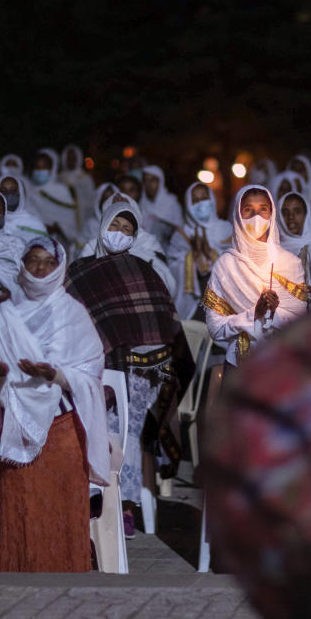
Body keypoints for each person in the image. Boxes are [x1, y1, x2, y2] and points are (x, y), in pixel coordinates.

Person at [0, 237, 109, 572]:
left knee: (61, 518)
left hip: (62, 435)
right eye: (33, 260)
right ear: (21, 265)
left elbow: (91, 375)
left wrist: (57, 376)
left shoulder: (72, 313)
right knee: (24, 517)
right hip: (16, 434)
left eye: (49, 262)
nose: (40, 268)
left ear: (59, 268)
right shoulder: (5, 315)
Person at [66, 201, 195, 536]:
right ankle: (90, 500)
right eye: (115, 226)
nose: (119, 234)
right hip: (90, 370)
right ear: (102, 225)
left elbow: (165, 323)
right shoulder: (79, 271)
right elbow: (66, 322)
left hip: (142, 375)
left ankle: (123, 506)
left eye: (128, 230)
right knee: (86, 408)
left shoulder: (144, 268)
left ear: (136, 236)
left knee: (127, 418)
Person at [204, 185, 306, 367]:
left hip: (282, 364)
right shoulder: (226, 265)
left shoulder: (290, 263)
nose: (256, 217)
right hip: (239, 363)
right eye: (248, 210)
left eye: (263, 210)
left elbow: (301, 323)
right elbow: (215, 328)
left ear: (272, 213)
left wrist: (273, 313)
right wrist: (254, 314)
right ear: (238, 214)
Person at [80, 192, 176, 293]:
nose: (119, 231)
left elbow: (165, 280)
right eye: (114, 224)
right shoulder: (92, 246)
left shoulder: (148, 241)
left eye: (126, 228)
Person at [168, 182, 231, 320]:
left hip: (224, 298)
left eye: (204, 198)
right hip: (194, 301)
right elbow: (171, 266)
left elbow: (236, 262)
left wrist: (210, 254)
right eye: (195, 200)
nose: (200, 204)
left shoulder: (226, 229)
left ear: (212, 200)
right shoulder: (181, 235)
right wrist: (191, 257)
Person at [30, 148, 79, 243]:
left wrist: (58, 228)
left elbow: (69, 222)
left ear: (51, 169)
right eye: (37, 167)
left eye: (44, 167)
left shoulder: (61, 190)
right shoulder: (29, 190)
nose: (40, 171)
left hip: (58, 240)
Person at [140, 165, 184, 249]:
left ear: (160, 181)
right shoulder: (142, 204)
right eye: (145, 180)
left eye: (152, 180)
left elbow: (179, 230)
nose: (148, 184)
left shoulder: (171, 203)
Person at [58, 143, 97, 224]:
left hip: (82, 217)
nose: (71, 162)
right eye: (69, 158)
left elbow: (91, 200)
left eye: (73, 159)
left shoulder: (86, 178)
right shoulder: (59, 178)